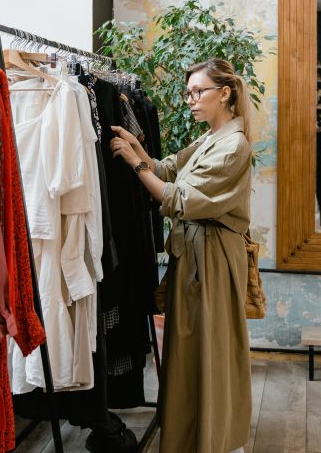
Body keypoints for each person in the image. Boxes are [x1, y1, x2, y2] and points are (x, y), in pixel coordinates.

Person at [110, 58, 252, 453]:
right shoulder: (211, 137)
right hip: (194, 256)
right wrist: (137, 146)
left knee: (211, 351)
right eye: (188, 92)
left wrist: (136, 162)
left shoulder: (233, 146)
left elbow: (179, 198)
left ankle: (215, 439)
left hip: (213, 259)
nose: (190, 100)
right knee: (190, 353)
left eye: (198, 92)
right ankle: (192, 436)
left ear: (224, 93)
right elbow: (169, 168)